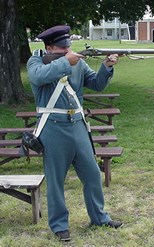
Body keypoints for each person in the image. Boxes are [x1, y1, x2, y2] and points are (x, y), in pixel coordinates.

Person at [27, 25, 122, 242]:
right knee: (56, 180)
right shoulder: (36, 61)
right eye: (61, 48)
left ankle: (99, 217)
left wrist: (107, 65)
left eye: (68, 46)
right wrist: (64, 62)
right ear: (49, 47)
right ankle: (60, 226)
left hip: (77, 125)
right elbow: (38, 77)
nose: (67, 50)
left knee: (91, 174)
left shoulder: (77, 62)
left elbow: (96, 84)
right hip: (53, 127)